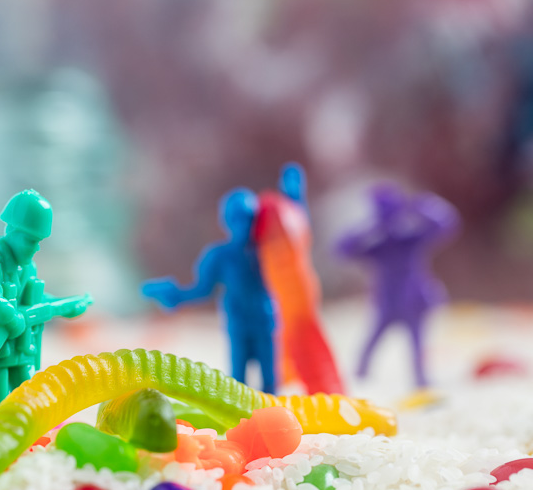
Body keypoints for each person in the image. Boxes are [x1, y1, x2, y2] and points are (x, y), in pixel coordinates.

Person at [142, 165, 305, 393]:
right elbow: (202, 289)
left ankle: (272, 422)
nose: (243, 226)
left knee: (270, 381)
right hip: (238, 325)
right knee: (237, 382)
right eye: (235, 219)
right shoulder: (219, 256)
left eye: (248, 219)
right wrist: (175, 295)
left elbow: (293, 238)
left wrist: (295, 200)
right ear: (225, 221)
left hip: (265, 322)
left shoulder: (265, 250)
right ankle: (241, 424)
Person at [0, 189, 90, 422]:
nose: (36, 248)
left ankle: (29, 444)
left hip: (21, 350)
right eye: (31, 240)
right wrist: (17, 320)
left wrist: (64, 306)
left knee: (30, 403)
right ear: (12, 230)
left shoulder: (28, 267)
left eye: (38, 241)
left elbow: (35, 302)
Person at [337, 184, 459, 387]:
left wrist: (424, 207)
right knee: (372, 341)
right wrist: (371, 228)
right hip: (387, 302)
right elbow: (343, 249)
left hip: (413, 300)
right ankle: (361, 375)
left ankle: (421, 379)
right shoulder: (380, 246)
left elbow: (445, 225)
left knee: (417, 344)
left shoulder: (410, 239)